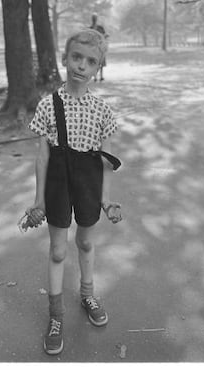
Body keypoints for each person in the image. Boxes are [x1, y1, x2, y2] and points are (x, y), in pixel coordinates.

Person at [19, 29, 122, 356]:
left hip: (89, 183)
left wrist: (106, 199)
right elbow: (43, 156)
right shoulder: (49, 105)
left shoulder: (103, 111)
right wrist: (39, 200)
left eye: (91, 61)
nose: (81, 65)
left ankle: (88, 294)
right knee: (58, 251)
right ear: (65, 58)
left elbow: (107, 160)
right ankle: (56, 315)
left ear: (98, 67)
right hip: (58, 184)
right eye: (76, 57)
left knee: (87, 242)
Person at [89, 14, 108, 81]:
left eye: (95, 18)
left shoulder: (100, 28)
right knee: (95, 62)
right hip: (93, 48)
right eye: (93, 18)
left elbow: (105, 35)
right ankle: (95, 76)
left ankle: (101, 76)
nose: (94, 19)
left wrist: (104, 36)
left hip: (100, 47)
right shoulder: (90, 28)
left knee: (101, 62)